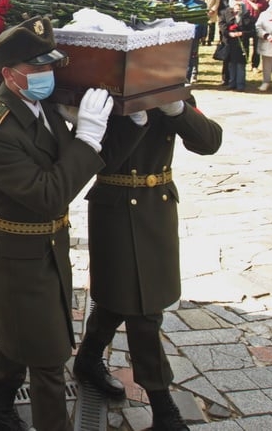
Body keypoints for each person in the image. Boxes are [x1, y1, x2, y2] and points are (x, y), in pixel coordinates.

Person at [0, 16, 112, 431]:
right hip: (16, 256)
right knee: (49, 357)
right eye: (37, 67)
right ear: (9, 75)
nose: (47, 73)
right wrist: (87, 139)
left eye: (51, 64)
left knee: (20, 337)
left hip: (47, 247)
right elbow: (48, 195)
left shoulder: (41, 107)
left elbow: (70, 166)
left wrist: (117, 128)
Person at [78, 97, 222, 431]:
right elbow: (96, 160)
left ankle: (88, 357)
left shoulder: (168, 91)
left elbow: (209, 142)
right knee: (143, 311)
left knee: (122, 297)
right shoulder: (104, 92)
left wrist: (179, 110)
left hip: (157, 207)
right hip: (116, 209)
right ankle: (163, 407)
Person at [219, 0, 252, 91]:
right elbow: (222, 26)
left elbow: (252, 31)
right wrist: (229, 33)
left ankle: (240, 84)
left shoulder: (247, 17)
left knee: (240, 65)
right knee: (231, 64)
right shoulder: (226, 14)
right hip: (230, 43)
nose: (237, 9)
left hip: (242, 44)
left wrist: (242, 33)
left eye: (239, 8)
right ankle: (231, 83)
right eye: (235, 8)